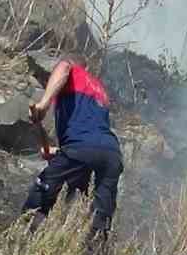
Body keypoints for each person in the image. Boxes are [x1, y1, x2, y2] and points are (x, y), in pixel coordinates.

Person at [22, 53, 124, 238]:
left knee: (38, 200)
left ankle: (24, 249)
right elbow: (93, 137)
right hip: (111, 155)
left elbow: (64, 67)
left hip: (81, 149)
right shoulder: (99, 89)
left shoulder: (72, 71)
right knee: (99, 221)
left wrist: (44, 105)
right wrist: (60, 152)